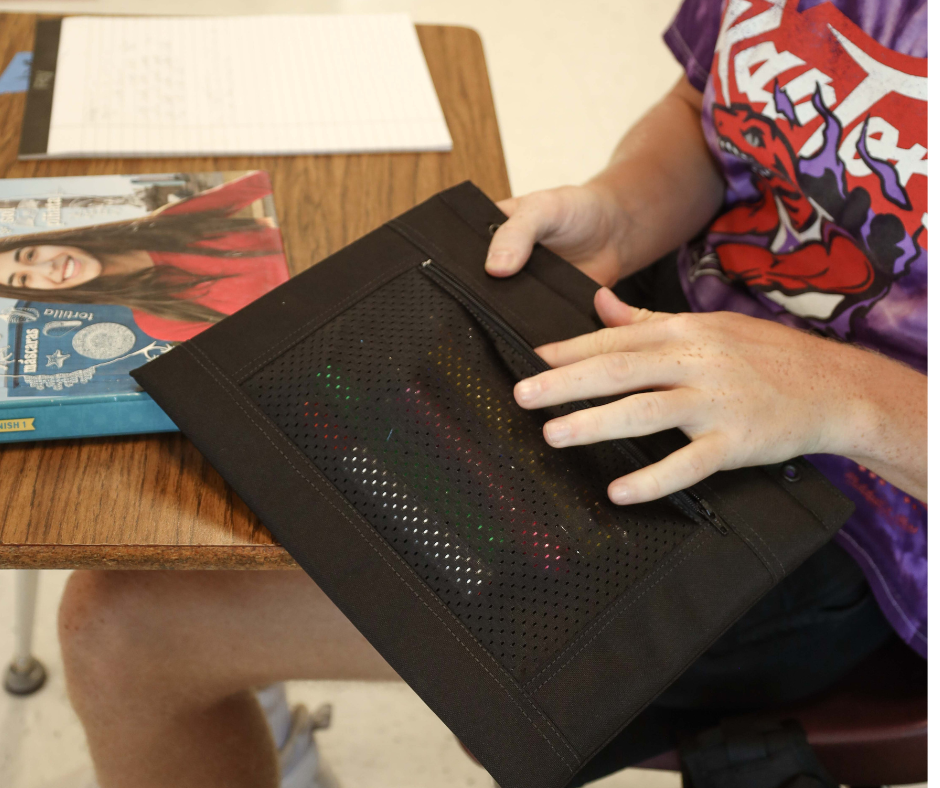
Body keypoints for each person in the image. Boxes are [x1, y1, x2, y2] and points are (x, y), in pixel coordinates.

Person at [56, 1, 926, 786]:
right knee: (245, 428)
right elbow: (707, 110)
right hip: (656, 330)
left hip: (855, 518)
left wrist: (833, 391)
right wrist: (620, 211)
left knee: (127, 628)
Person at [0, 171, 289, 341]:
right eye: (25, 278)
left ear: (46, 240)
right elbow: (269, 336)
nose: (46, 267)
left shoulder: (167, 222)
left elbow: (267, 181)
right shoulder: (160, 321)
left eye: (29, 255)